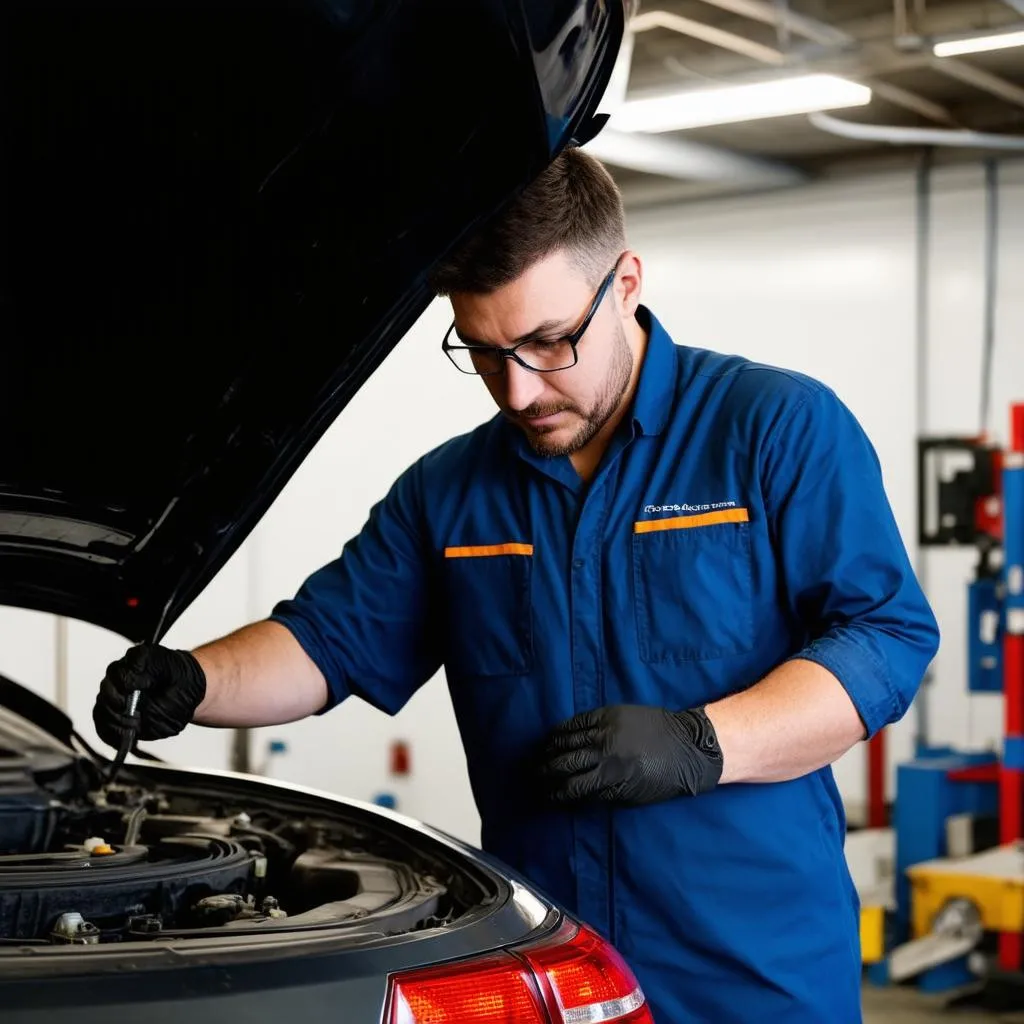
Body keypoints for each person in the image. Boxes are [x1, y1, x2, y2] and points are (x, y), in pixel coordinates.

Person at [93, 147, 939, 1022]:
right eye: (487, 352)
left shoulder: (776, 428)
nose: (520, 390)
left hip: (756, 975)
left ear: (627, 283)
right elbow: (326, 641)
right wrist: (195, 680)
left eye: (548, 342)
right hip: (548, 977)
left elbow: (884, 639)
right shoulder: (448, 493)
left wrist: (702, 742)